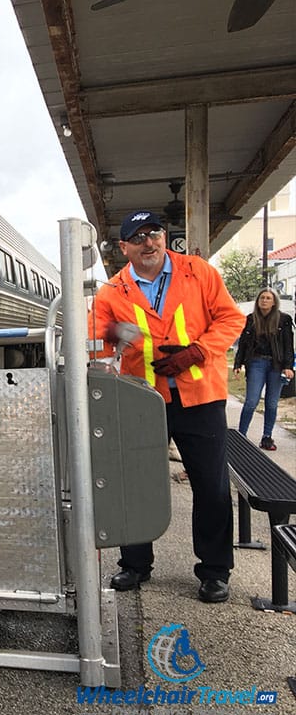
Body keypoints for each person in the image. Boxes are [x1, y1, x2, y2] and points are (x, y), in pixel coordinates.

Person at [89, 210, 245, 603]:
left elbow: (230, 319)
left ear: (164, 237)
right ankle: (135, 564)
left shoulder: (199, 273)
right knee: (135, 483)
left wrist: (197, 351)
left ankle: (214, 571)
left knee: (210, 484)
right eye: (138, 237)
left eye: (154, 233)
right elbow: (94, 336)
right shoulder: (112, 291)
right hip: (141, 398)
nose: (149, 242)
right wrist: (111, 335)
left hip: (201, 397)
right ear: (124, 248)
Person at [233, 287, 295, 450]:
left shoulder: (284, 320)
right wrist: (238, 363)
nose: (265, 300)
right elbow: (243, 344)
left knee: (272, 403)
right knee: (251, 402)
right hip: (256, 363)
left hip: (277, 365)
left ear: (274, 302)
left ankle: (267, 437)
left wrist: (288, 366)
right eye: (262, 298)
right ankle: (241, 435)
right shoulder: (251, 319)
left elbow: (288, 345)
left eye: (268, 298)